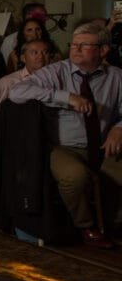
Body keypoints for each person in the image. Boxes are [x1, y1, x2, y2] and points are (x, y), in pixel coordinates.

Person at [9, 23, 122, 248]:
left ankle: (116, 226)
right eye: (74, 45)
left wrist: (119, 128)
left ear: (103, 51)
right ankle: (86, 226)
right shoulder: (56, 71)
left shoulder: (116, 76)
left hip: (103, 144)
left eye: (84, 45)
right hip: (65, 147)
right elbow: (17, 92)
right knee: (74, 177)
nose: (76, 49)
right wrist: (66, 97)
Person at [0, 38, 50, 135]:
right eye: (35, 52)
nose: (41, 57)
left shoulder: (55, 78)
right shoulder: (10, 81)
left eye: (45, 52)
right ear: (23, 58)